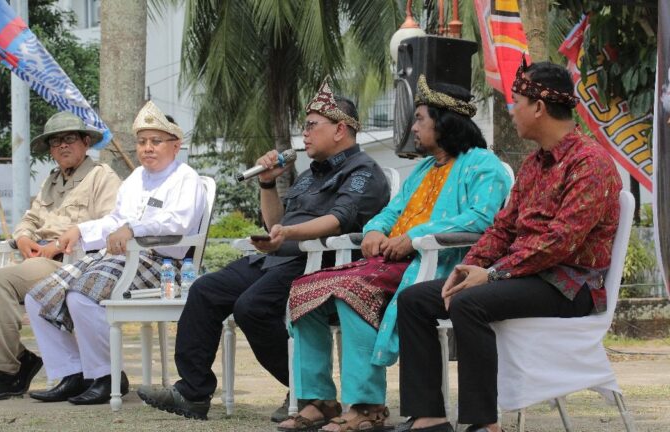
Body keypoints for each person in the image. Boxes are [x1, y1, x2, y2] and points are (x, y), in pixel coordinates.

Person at [136, 79, 391, 421]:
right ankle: (192, 392)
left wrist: (288, 233)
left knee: (252, 307)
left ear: (340, 129)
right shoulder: (309, 175)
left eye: (312, 126)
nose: (306, 133)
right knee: (206, 290)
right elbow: (275, 221)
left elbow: (337, 220)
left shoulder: (363, 172)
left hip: (320, 264)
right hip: (279, 257)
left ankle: (309, 393)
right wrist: (268, 182)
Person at [395, 59, 622, 432]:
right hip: (522, 278)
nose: (511, 109)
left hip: (568, 284)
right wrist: (465, 270)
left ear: (539, 107)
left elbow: (560, 242)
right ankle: (429, 418)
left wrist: (493, 273)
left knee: (469, 302)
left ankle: (484, 424)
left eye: (515, 100)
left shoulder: (590, 163)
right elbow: (502, 229)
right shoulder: (534, 165)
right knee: (416, 300)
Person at [278, 76, 512, 432]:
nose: (413, 127)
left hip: (436, 263)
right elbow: (391, 212)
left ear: (444, 121)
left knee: (352, 292)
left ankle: (367, 406)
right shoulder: (423, 169)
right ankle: (319, 400)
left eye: (420, 118)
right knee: (305, 289)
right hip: (391, 261)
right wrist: (374, 229)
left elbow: (482, 219)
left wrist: (413, 238)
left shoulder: (483, 165)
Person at [23, 101, 207, 405]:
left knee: (81, 296)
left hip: (165, 263)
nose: (147, 148)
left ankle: (107, 376)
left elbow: (179, 223)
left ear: (176, 146)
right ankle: (74, 373)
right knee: (38, 296)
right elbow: (114, 221)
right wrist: (80, 231)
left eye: (156, 141)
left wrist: (133, 229)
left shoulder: (185, 178)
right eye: (142, 141)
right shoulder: (136, 179)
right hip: (123, 259)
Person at [0, 112, 122, 401]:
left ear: (86, 141)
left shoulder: (102, 176)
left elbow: (112, 225)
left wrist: (61, 244)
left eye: (69, 139)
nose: (62, 146)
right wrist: (23, 238)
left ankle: (6, 374)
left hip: (73, 264)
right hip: (37, 262)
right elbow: (29, 219)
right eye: (55, 142)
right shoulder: (51, 181)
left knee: (1, 281)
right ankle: (22, 361)